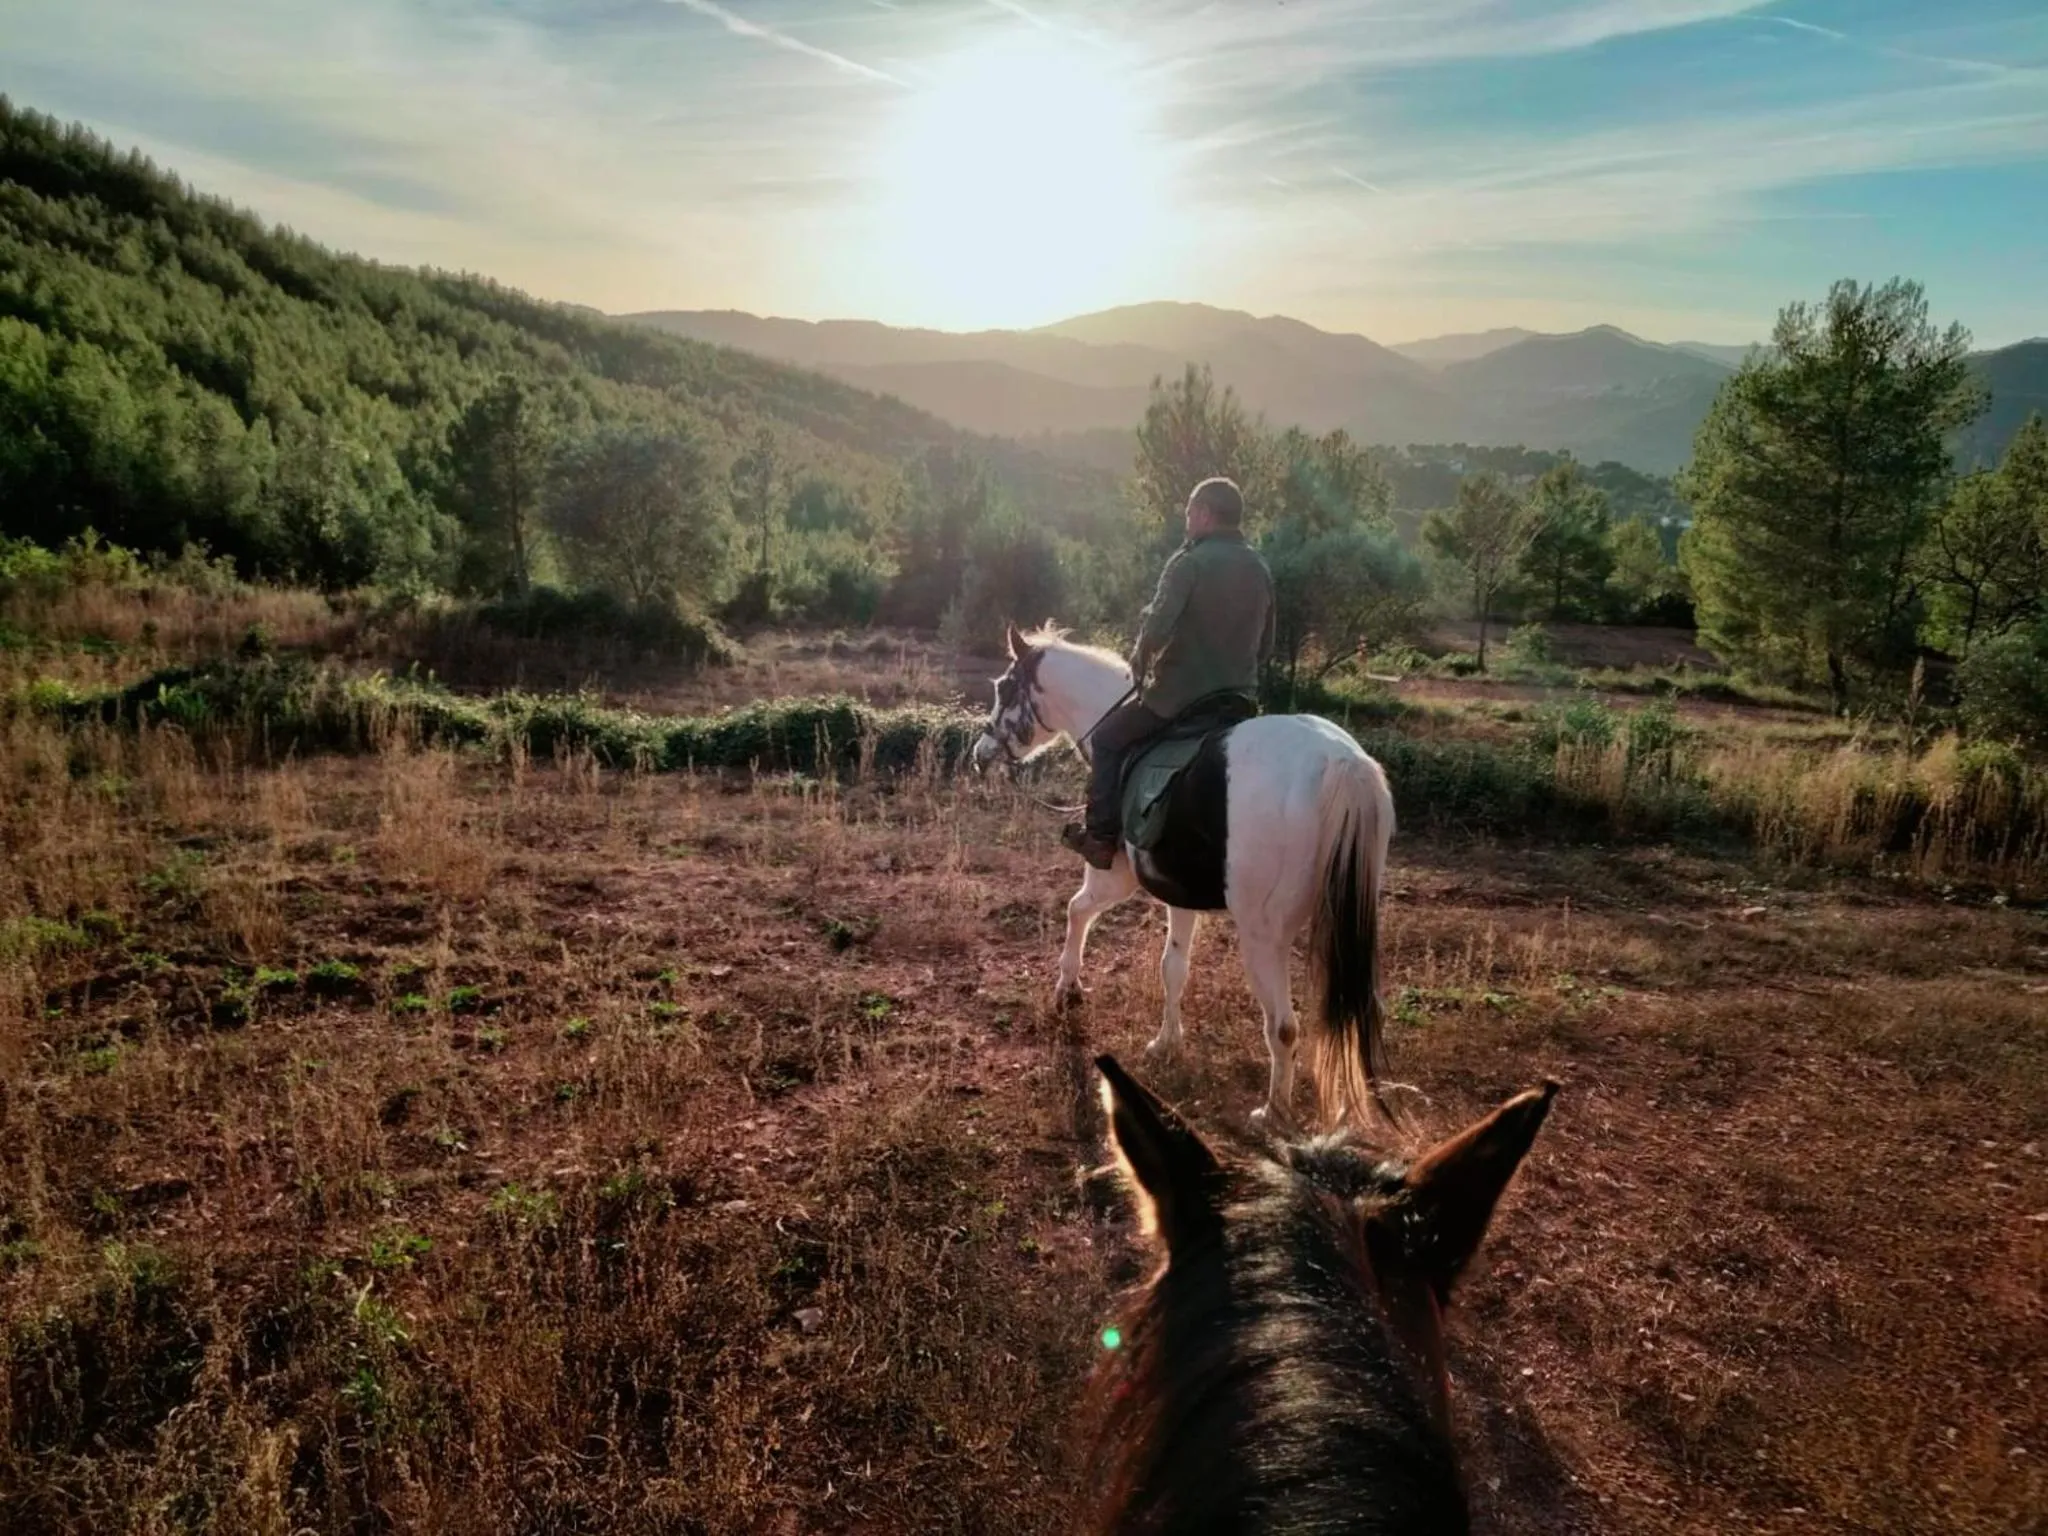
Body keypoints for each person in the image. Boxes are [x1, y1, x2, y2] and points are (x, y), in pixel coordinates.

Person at [1061, 476, 1276, 870]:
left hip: (1179, 700)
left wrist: (1140, 666)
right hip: (1239, 702)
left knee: (1107, 740)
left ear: (1207, 515)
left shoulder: (1188, 563)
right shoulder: (1259, 567)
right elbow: (1266, 647)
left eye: (1191, 512)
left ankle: (1100, 838)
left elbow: (1156, 628)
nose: (1187, 520)